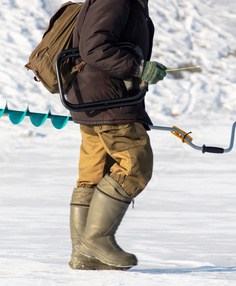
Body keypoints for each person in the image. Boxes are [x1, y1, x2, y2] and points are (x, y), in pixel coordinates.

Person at [66, 0, 166, 270]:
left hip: (94, 97)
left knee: (94, 172)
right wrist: (137, 68)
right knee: (135, 164)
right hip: (109, 99)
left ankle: (85, 255)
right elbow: (94, 48)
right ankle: (96, 240)